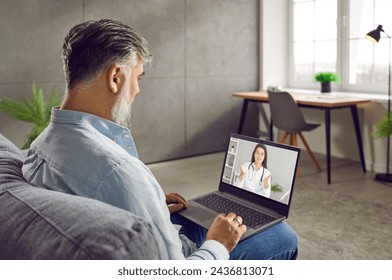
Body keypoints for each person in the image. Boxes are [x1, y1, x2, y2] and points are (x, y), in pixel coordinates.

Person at [22, 19, 297, 260]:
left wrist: (148, 200)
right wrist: (218, 245)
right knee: (283, 237)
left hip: (126, 234)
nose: (137, 91)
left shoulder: (41, 143)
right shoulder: (119, 173)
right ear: (116, 77)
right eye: (137, 78)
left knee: (203, 214)